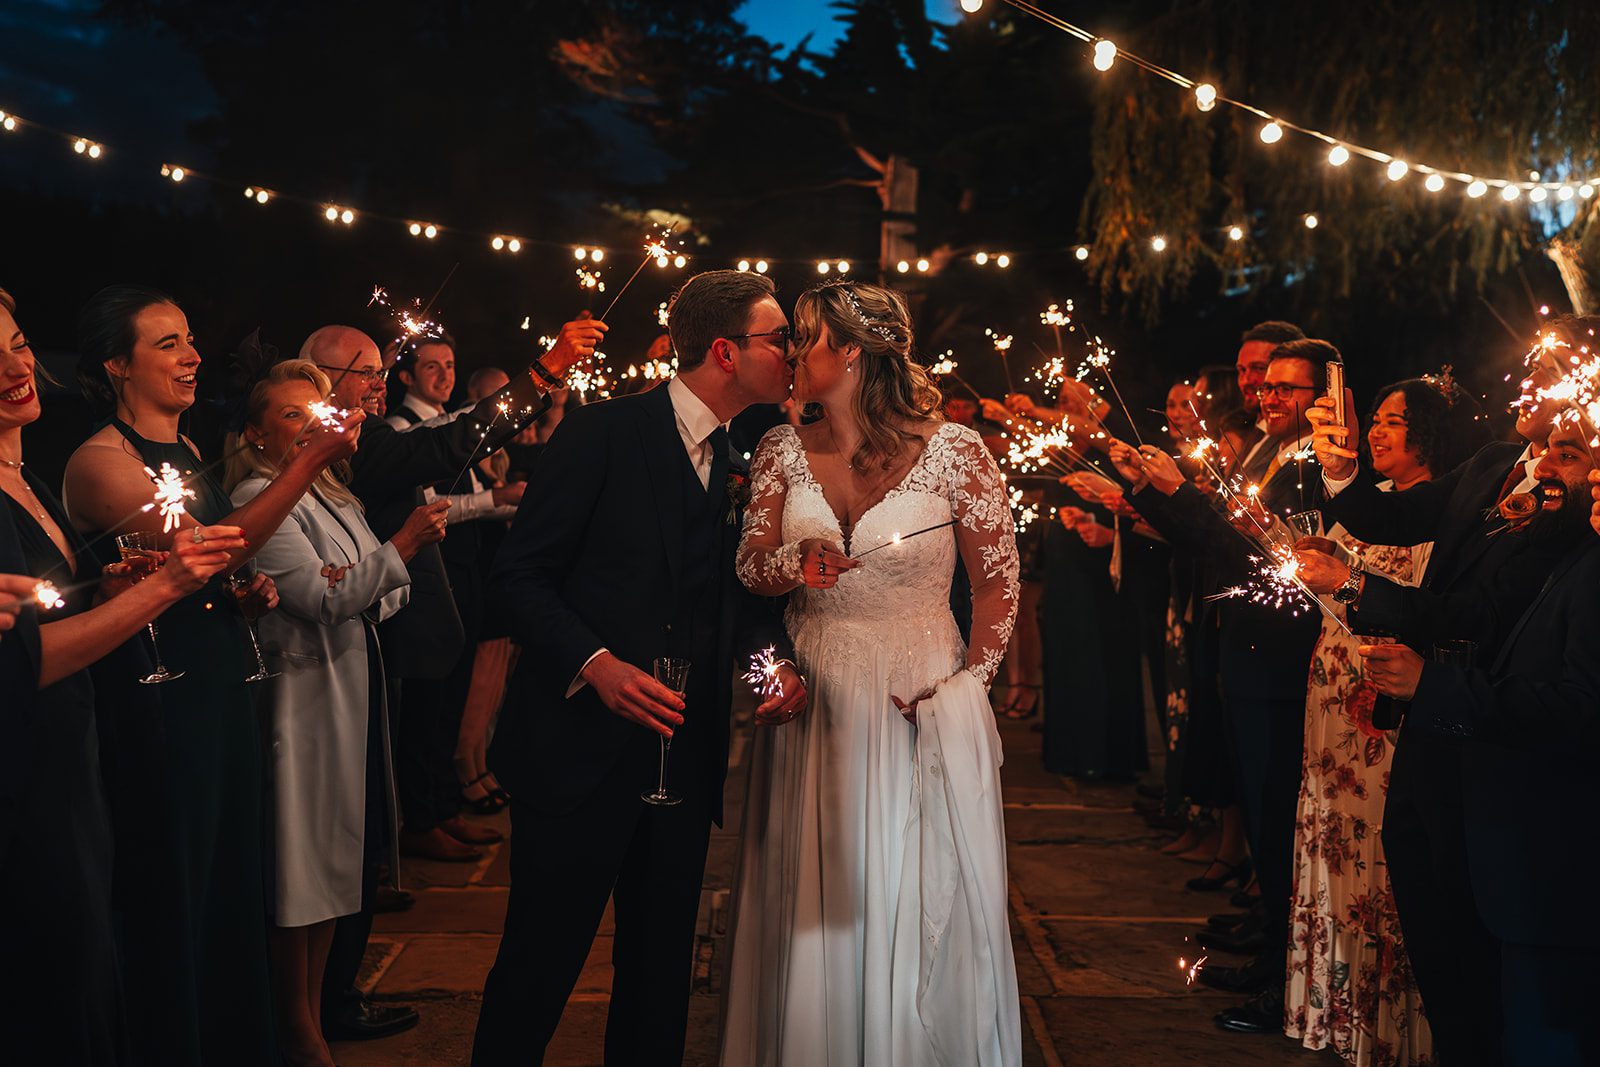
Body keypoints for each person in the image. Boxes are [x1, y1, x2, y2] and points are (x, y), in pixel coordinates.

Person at [472, 270, 805, 1065]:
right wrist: (597, 664)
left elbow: (744, 602)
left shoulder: (740, 456)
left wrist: (772, 670)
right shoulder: (601, 434)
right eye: (778, 337)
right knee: (538, 966)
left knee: (660, 977)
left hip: (681, 759)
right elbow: (518, 576)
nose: (791, 352)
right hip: (576, 751)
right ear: (726, 351)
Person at [721, 280, 1022, 1064]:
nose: (791, 354)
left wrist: (966, 691)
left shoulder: (957, 450)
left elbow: (996, 585)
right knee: (814, 888)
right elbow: (750, 569)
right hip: (814, 686)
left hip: (917, 690)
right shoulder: (779, 447)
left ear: (850, 351)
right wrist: (795, 560)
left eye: (807, 339)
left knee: (909, 882)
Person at [61, 284, 360, 1066]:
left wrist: (245, 596)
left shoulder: (190, 454)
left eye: (189, 338)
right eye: (166, 344)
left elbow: (213, 573)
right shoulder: (100, 463)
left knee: (231, 873)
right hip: (160, 698)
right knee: (177, 879)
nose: (191, 355)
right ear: (116, 366)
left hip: (222, 679)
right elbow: (208, 546)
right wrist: (306, 465)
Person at [302, 317, 599, 1043]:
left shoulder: (354, 443)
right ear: (319, 384)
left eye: (379, 370)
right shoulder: (350, 445)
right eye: (363, 373)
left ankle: (337, 987)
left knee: (373, 807)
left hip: (383, 629)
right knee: (355, 815)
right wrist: (544, 370)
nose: (377, 383)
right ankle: (325, 1000)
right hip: (342, 649)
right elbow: (449, 443)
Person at [1300, 322, 1586, 1061]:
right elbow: (1395, 515)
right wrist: (1341, 470)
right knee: (1421, 886)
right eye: (1535, 365)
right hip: (1429, 711)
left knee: (1471, 917)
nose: (1533, 382)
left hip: (1480, 710)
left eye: (1552, 371)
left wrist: (1359, 587)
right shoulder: (1496, 461)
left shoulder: (1567, 506)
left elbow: (1479, 611)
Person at [0, 286, 247, 1064]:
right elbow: (23, 661)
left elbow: (47, 615)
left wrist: (106, 588)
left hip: (80, 750)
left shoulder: (30, 479)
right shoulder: (93, 462)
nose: (17, 365)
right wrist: (159, 588)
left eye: (16, 342)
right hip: (30, 772)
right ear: (116, 366)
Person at [225, 359, 449, 1067]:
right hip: (300, 696)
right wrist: (400, 548)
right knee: (298, 865)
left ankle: (316, 1008)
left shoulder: (332, 495)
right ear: (257, 433)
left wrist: (371, 574)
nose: (306, 426)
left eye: (311, 412)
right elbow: (323, 596)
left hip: (349, 681)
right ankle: (295, 1024)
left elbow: (368, 589)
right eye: (290, 415)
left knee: (333, 864)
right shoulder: (257, 494)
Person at [1359, 417, 1600, 1065]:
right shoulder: (1564, 545)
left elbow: (1582, 710)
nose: (1542, 467)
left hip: (1557, 867)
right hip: (1517, 849)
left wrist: (1431, 685)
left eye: (1568, 456)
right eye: (1544, 454)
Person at [1117, 338, 1337, 1033]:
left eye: (1288, 389)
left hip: (1276, 657)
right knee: (1262, 807)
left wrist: (1176, 496)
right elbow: (1217, 535)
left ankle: (1283, 979)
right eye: (1266, 386)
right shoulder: (1272, 453)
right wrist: (1153, 490)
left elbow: (1251, 549)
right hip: (1242, 649)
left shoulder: (1314, 468)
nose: (1269, 398)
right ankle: (1271, 949)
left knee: (1276, 824)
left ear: (1325, 396)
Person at [1283, 377, 1485, 1064]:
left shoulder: (1453, 511)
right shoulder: (1369, 507)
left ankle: (1403, 1030)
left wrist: (1351, 582)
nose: (1377, 430)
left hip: (1389, 703)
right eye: (1374, 418)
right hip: (1337, 694)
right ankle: (1344, 1016)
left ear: (1431, 430)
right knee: (1339, 853)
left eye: (1395, 421)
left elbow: (1432, 612)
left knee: (1387, 871)